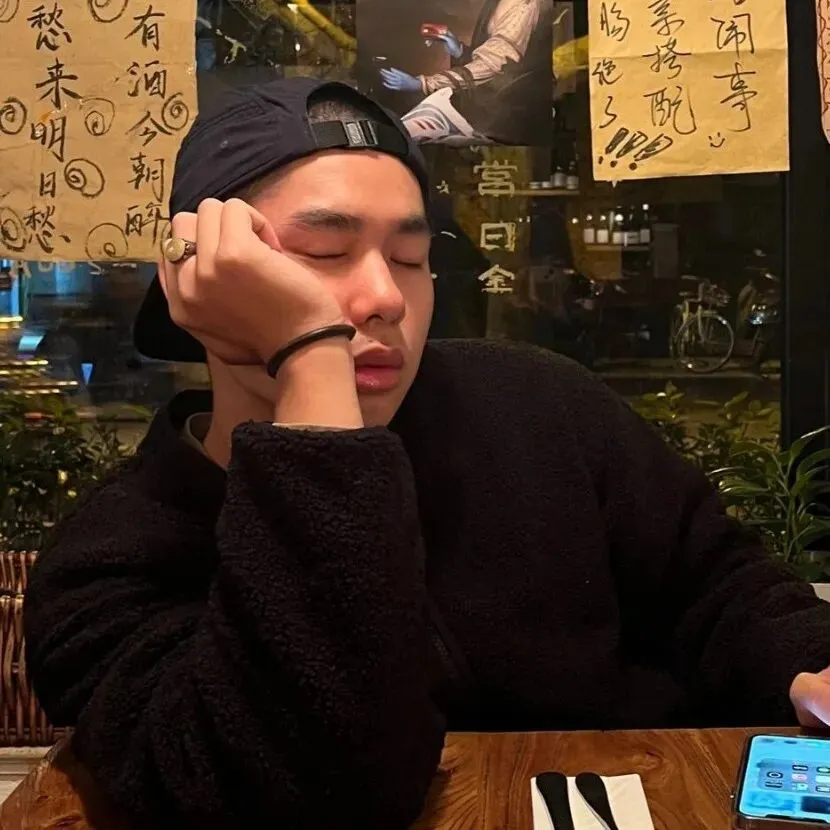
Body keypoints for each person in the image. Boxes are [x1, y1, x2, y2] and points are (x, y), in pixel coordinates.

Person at [22, 76, 830, 830]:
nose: (384, 296)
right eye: (323, 253)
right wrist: (310, 356)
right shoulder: (113, 559)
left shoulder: (539, 403)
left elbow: (717, 585)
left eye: (411, 259)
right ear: (198, 277)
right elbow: (303, 788)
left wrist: (802, 663)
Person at [379, 0, 553, 144]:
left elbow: (491, 66)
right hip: (486, 108)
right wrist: (460, 52)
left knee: (409, 134)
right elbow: (489, 59)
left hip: (508, 119)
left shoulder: (524, 5)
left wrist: (423, 83)